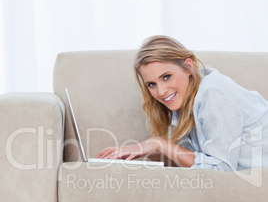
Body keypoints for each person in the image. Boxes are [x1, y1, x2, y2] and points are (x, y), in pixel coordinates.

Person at [97, 35, 268, 171]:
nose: (161, 91)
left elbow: (221, 170)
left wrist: (160, 143)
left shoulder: (213, 91)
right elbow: (199, 160)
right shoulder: (188, 103)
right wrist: (141, 153)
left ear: (188, 67)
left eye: (166, 77)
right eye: (152, 84)